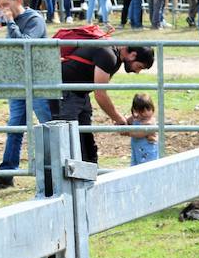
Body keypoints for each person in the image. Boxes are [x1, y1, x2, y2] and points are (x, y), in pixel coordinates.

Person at [0, 0, 52, 189]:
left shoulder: (34, 19)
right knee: (15, 126)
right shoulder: (13, 22)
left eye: (5, 5)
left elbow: (24, 45)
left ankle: (57, 169)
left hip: (37, 81)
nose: (2, 10)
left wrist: (10, 21)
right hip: (18, 81)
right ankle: (7, 173)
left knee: (48, 124)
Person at [52, 32, 153, 165]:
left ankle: (88, 179)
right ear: (132, 55)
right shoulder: (108, 54)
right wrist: (118, 119)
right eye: (139, 66)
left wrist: (119, 118)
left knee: (86, 144)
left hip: (79, 94)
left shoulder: (115, 56)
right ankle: (65, 182)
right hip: (66, 94)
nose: (137, 71)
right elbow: (100, 94)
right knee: (71, 143)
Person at [127, 93, 158, 165]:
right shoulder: (136, 119)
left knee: (147, 169)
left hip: (148, 154)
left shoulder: (150, 123)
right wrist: (121, 122)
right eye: (142, 111)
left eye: (148, 109)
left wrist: (127, 132)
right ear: (136, 110)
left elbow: (139, 134)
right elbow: (126, 121)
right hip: (136, 152)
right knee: (135, 169)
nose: (146, 113)